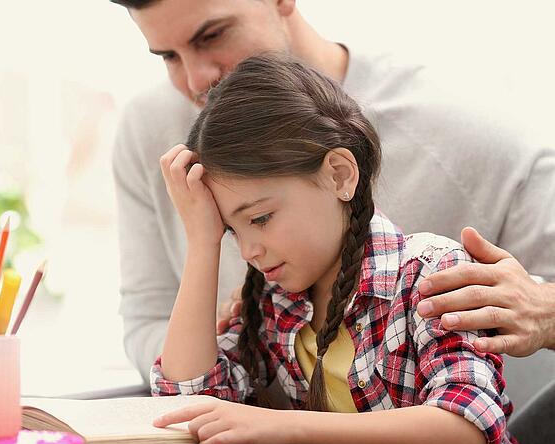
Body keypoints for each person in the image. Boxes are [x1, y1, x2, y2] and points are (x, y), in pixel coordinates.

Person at [149, 53, 550, 444]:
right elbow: (187, 401)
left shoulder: (430, 272)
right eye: (231, 230)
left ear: (340, 175)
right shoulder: (275, 301)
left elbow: (466, 430)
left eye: (261, 218)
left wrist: (283, 428)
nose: (249, 250)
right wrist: (201, 244)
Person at [109, 0, 555, 384]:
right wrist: (222, 360)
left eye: (212, 36)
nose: (196, 80)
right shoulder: (150, 132)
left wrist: (544, 310)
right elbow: (148, 318)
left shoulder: (468, 138)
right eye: (168, 56)